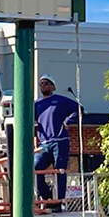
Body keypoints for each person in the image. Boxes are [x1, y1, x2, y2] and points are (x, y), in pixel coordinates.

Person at [33, 76, 80, 206]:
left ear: (53, 86)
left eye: (46, 83)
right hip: (44, 144)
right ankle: (46, 195)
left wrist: (67, 122)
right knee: (35, 167)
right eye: (41, 83)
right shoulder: (37, 104)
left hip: (59, 141)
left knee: (60, 170)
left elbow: (79, 110)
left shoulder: (61, 101)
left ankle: (59, 201)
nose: (43, 85)